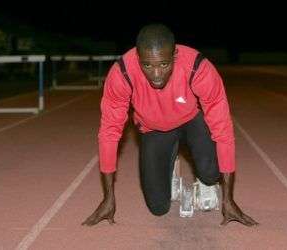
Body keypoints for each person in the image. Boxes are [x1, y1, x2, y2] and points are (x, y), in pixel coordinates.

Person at [82, 23, 258, 227]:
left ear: (175, 55)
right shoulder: (122, 74)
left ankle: (206, 182)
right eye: (147, 65)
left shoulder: (197, 67)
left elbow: (223, 130)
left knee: (211, 173)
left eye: (164, 65)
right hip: (154, 129)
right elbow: (109, 133)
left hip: (192, 121)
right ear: (137, 58)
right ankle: (170, 161)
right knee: (158, 208)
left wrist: (228, 198)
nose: (156, 75)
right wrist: (108, 197)